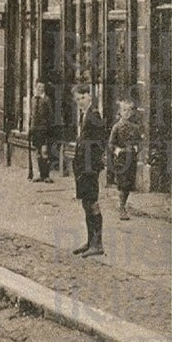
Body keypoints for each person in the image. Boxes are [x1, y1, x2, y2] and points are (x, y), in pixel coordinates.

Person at [71, 85, 106, 257]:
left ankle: (97, 244)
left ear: (89, 97)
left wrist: (91, 166)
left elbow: (99, 144)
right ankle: (90, 241)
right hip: (83, 168)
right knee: (86, 204)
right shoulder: (84, 115)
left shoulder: (94, 115)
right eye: (77, 99)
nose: (80, 102)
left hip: (89, 167)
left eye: (82, 98)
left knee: (92, 203)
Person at [107, 99, 142, 220]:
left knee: (128, 185)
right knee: (122, 183)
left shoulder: (135, 128)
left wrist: (135, 149)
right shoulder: (116, 127)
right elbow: (111, 144)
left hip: (131, 159)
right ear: (120, 112)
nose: (127, 113)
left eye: (129, 110)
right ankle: (122, 208)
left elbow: (139, 143)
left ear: (132, 112)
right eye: (124, 110)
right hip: (120, 160)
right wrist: (117, 150)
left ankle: (123, 203)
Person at [31, 81, 54, 183]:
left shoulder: (47, 99)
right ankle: (40, 174)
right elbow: (32, 115)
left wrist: (48, 127)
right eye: (38, 87)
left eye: (42, 87)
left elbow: (51, 114)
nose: (40, 89)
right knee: (37, 152)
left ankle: (46, 175)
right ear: (36, 87)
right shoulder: (33, 99)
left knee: (44, 151)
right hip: (35, 129)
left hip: (44, 129)